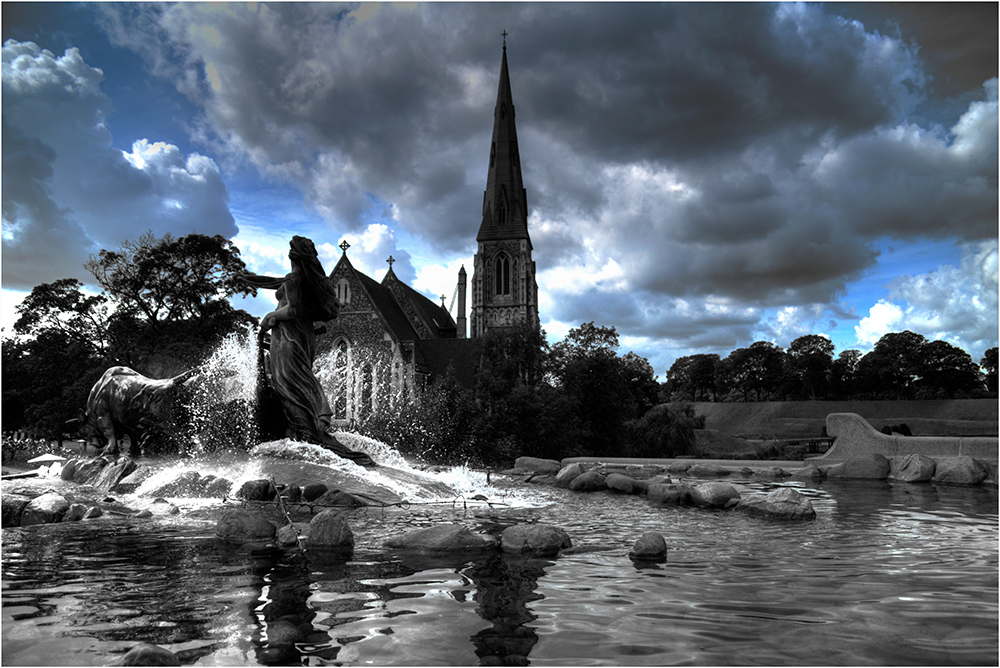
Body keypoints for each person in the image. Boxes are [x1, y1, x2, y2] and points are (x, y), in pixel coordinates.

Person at [240, 236, 374, 466]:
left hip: (289, 337)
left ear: (292, 256)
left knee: (293, 383)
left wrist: (271, 316)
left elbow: (293, 309)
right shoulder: (303, 279)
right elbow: (278, 283)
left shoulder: (296, 279)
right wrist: (250, 279)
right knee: (298, 381)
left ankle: (309, 434)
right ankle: (308, 426)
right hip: (300, 336)